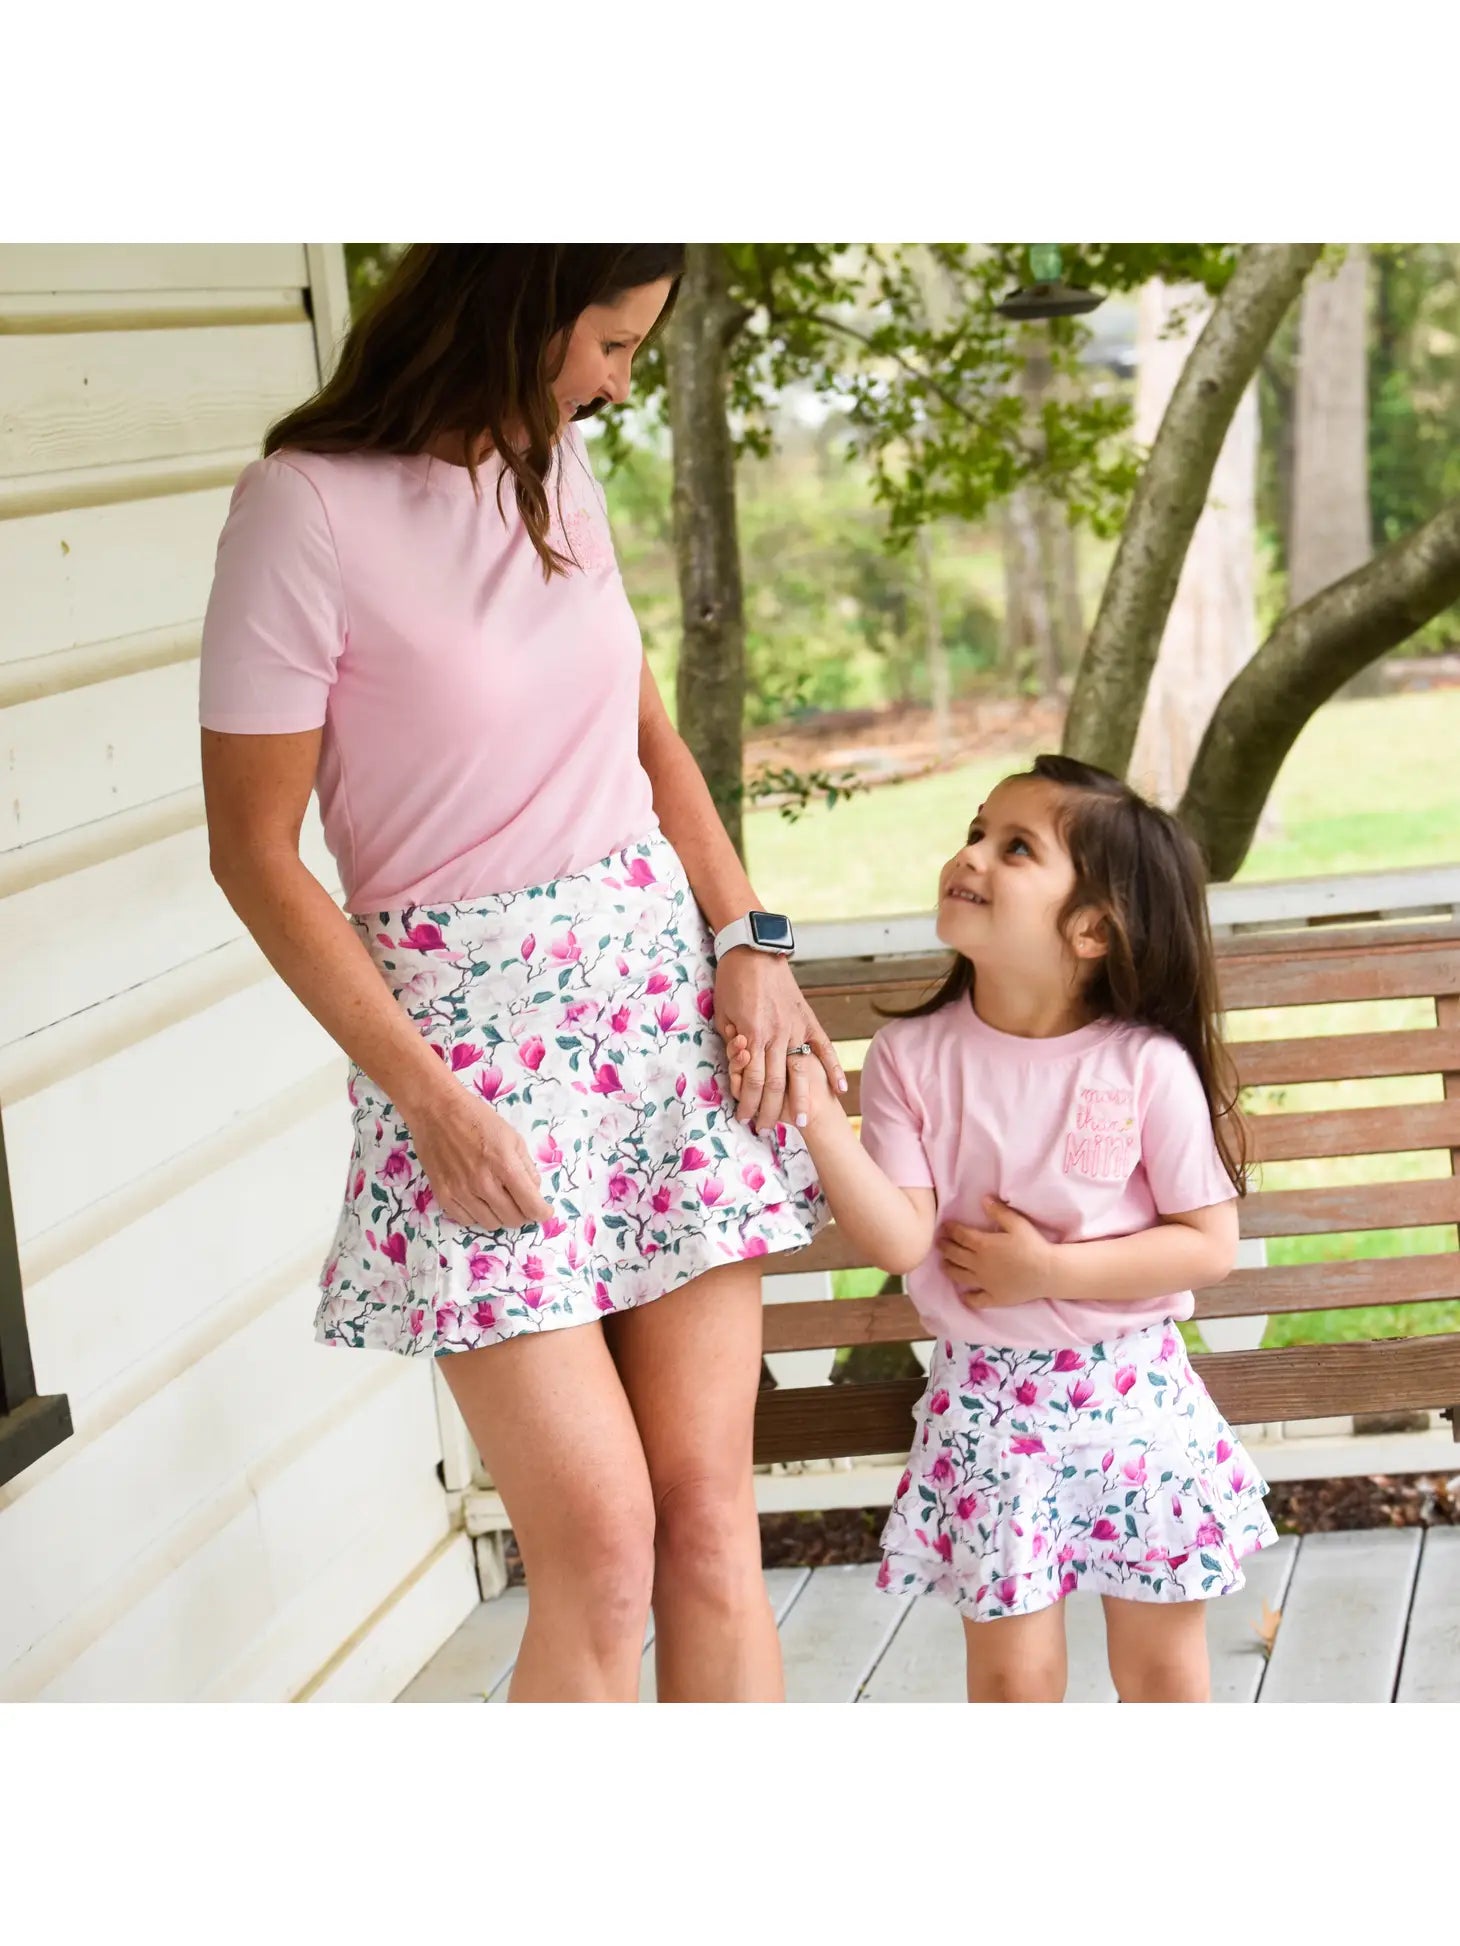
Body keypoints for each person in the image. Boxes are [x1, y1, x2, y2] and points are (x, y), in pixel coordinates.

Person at [198, 245, 838, 1703]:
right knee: (603, 1552)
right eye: (610, 343)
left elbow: (648, 737)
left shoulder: (559, 465)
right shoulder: (299, 512)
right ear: (515, 305)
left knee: (711, 1529)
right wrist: (426, 1098)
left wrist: (748, 937)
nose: (621, 381)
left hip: (658, 1022)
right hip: (466, 1067)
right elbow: (254, 854)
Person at [729, 753, 1277, 1703]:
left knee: (1159, 1670)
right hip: (987, 1410)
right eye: (976, 831)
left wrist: (1048, 1269)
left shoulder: (1144, 1065)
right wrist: (817, 1112)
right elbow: (902, 1239)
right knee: (1014, 1683)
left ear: (1094, 926)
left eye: (1014, 846)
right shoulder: (912, 1056)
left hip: (1135, 1402)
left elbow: (1208, 1244)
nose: (971, 856)